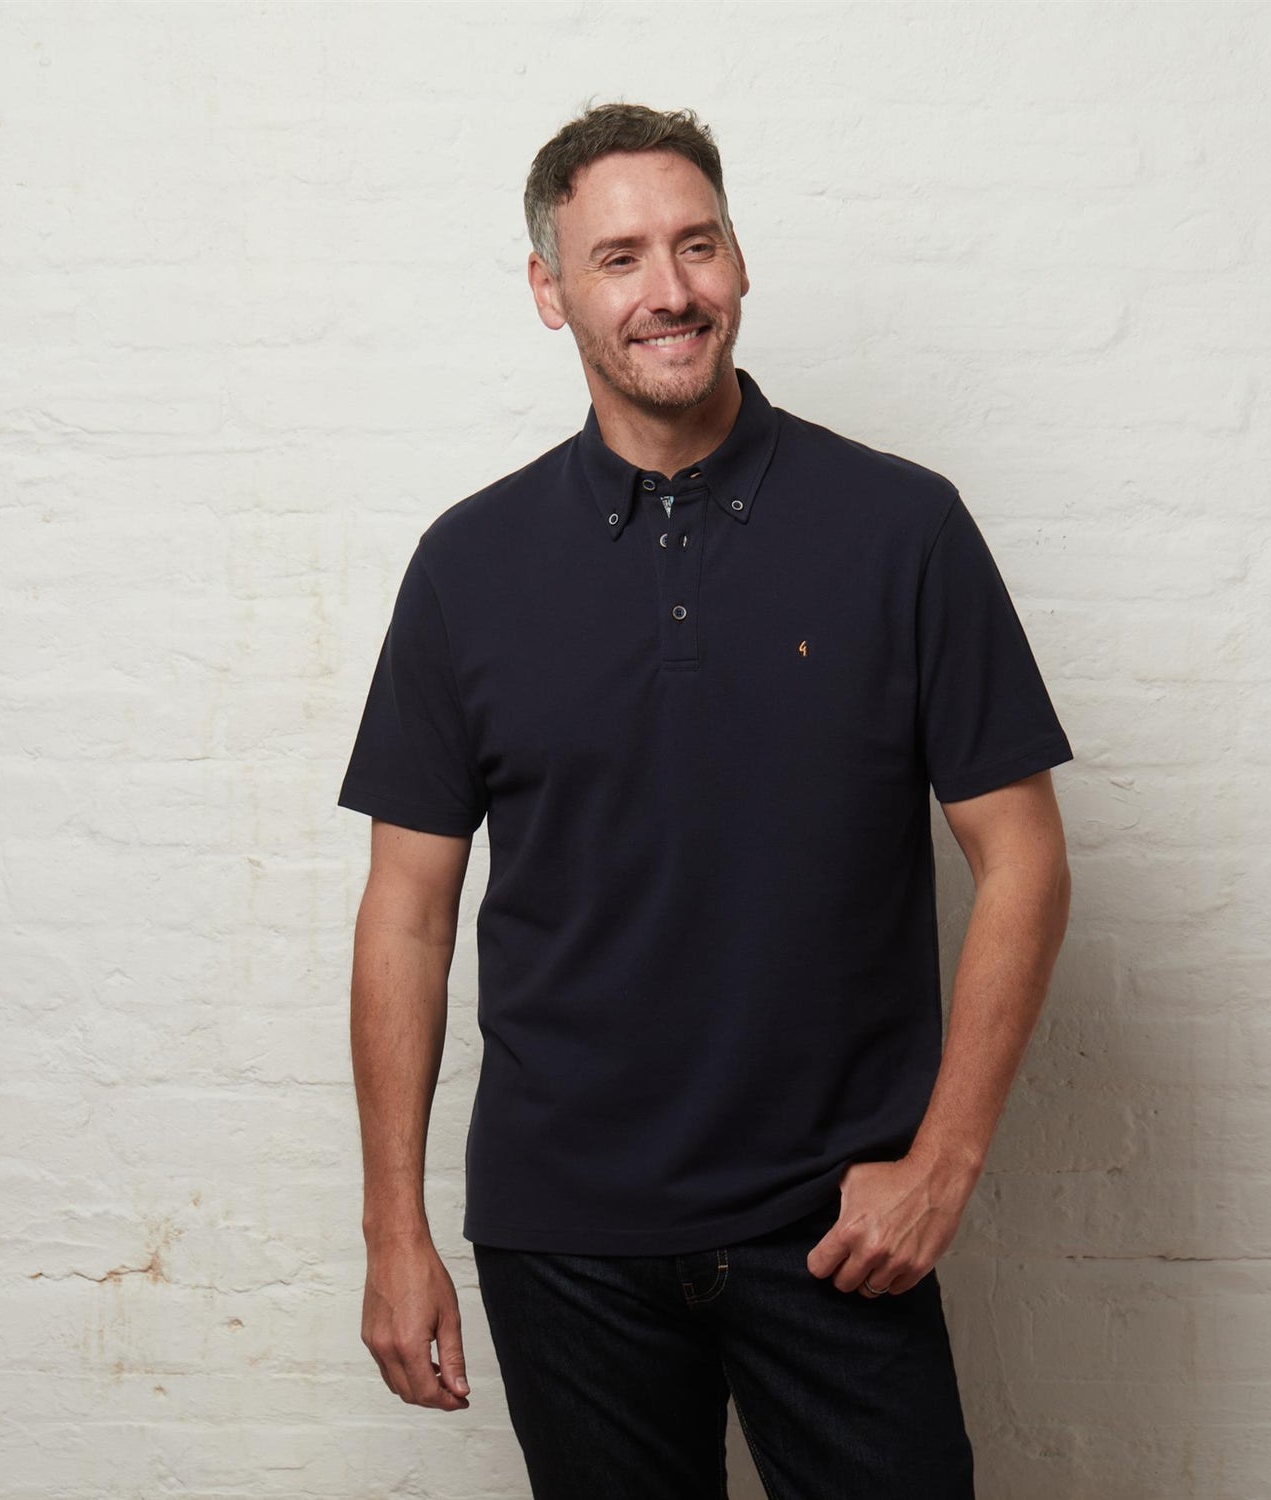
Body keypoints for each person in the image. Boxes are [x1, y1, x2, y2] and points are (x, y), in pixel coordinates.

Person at [338, 101, 1073, 1500]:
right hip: (566, 1238)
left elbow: (1024, 858)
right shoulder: (467, 566)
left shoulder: (903, 529)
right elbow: (407, 913)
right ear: (550, 292)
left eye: (697, 244)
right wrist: (393, 1229)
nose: (668, 290)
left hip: (838, 1227)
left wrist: (943, 1161)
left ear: (739, 260)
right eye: (618, 258)